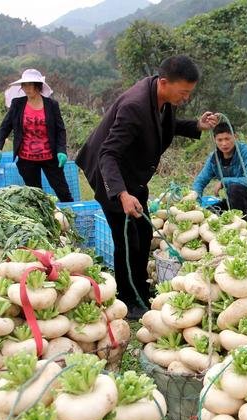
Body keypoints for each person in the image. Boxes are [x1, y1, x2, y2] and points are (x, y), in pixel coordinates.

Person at [75, 55, 219, 318]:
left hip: (133, 173)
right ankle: (128, 300)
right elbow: (107, 154)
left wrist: (196, 125)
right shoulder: (134, 106)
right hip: (110, 174)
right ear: (164, 82)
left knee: (142, 234)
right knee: (126, 239)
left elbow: (165, 125)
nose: (186, 98)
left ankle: (140, 289)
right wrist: (121, 194)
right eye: (183, 92)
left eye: (189, 92)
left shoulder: (161, 97)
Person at [0, 68, 73, 202]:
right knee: (35, 197)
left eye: (30, 84)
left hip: (50, 158)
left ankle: (72, 219)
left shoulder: (51, 105)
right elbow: (5, 127)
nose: (26, 88)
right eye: (24, 85)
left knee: (63, 192)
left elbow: (60, 130)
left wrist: (61, 150)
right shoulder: (18, 104)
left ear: (38, 86)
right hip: (27, 159)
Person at [192, 122, 247, 220]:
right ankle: (233, 222)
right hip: (233, 201)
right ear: (215, 140)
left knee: (234, 188)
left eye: (227, 138)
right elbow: (200, 181)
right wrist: (194, 202)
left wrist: (224, 181)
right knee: (209, 214)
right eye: (220, 140)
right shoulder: (214, 158)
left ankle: (240, 225)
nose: (224, 143)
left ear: (235, 137)